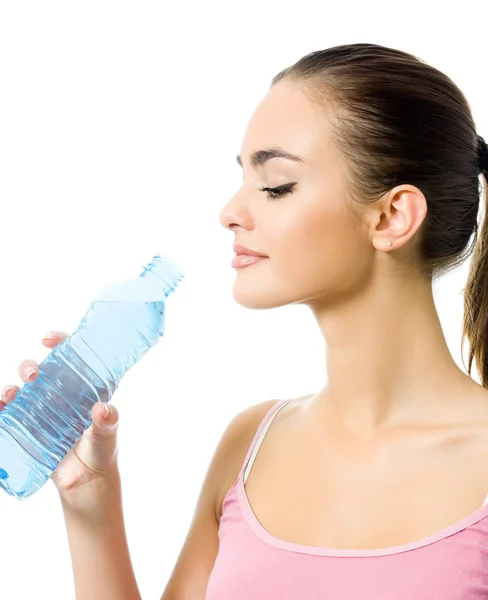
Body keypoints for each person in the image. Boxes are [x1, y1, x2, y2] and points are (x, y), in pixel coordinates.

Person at [2, 42, 488, 599]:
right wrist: (90, 501)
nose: (231, 212)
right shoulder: (250, 444)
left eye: (275, 185)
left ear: (391, 215)